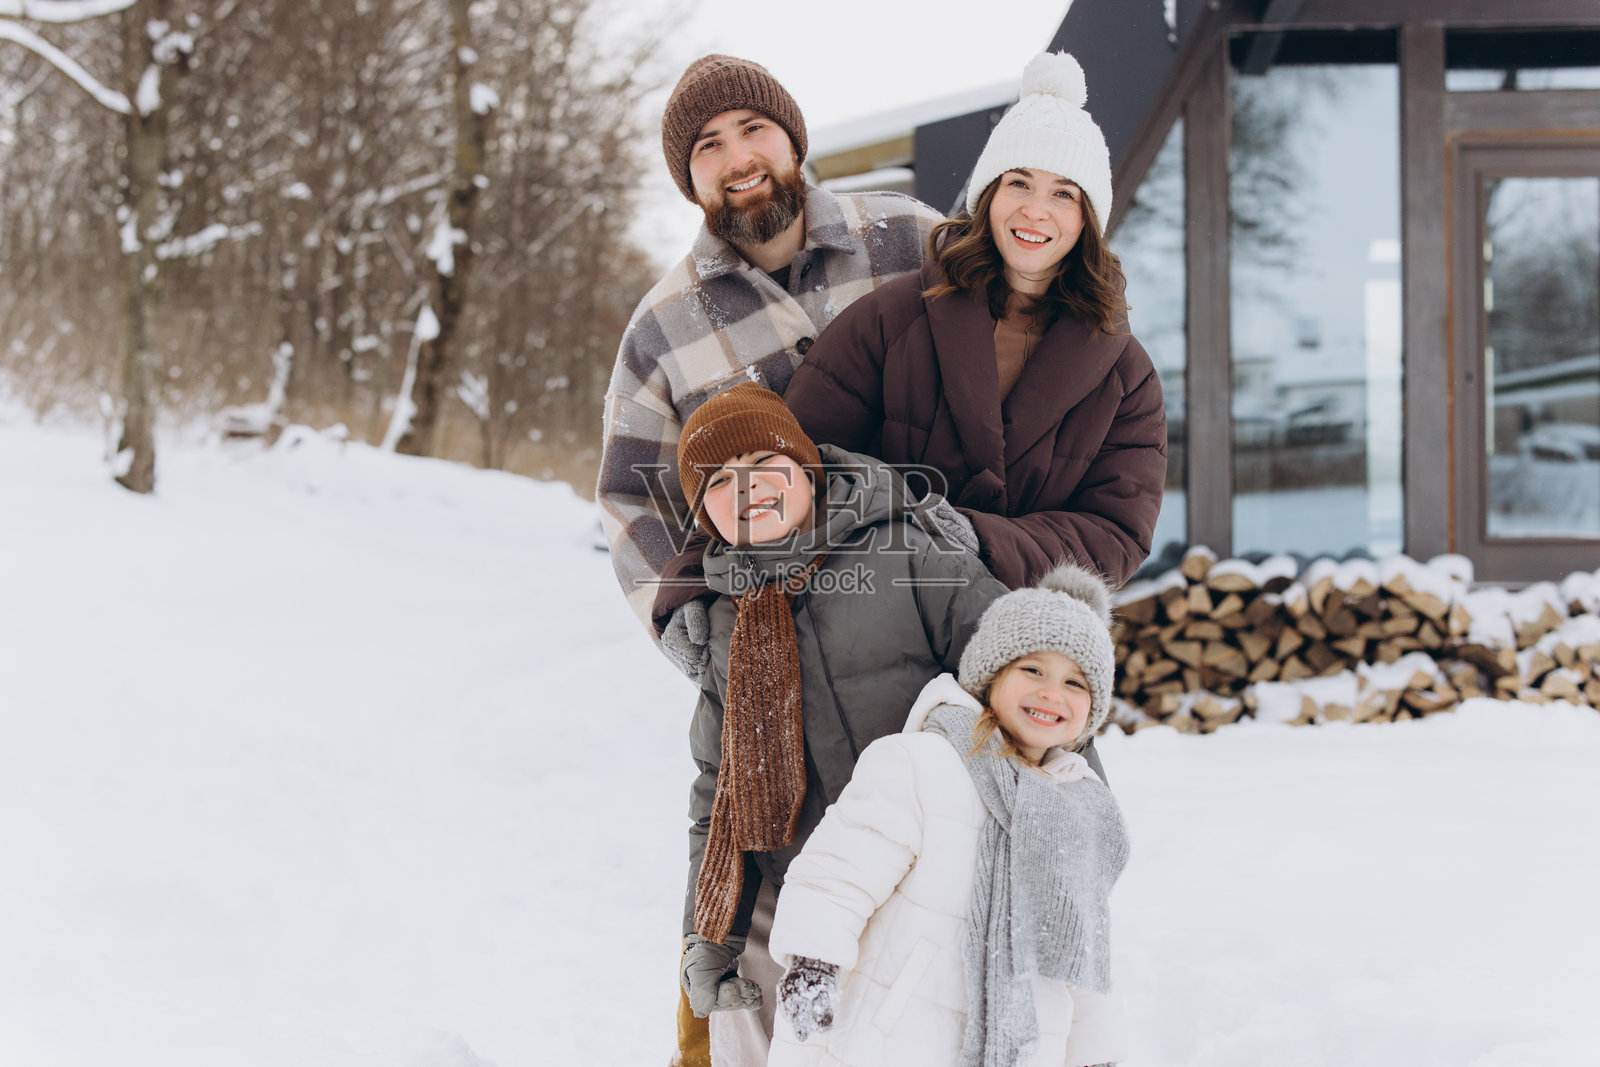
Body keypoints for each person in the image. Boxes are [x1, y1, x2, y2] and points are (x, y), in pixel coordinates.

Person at [672, 383, 1010, 1066]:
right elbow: (719, 788)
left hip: (925, 877)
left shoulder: (906, 548)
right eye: (719, 480)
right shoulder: (723, 620)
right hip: (794, 883)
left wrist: (1065, 829)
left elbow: (1020, 672)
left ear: (806, 467)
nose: (749, 487)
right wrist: (706, 937)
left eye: (765, 461)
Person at [595, 53, 946, 682]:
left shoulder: (911, 237)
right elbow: (632, 494)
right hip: (799, 667)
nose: (738, 159)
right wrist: (686, 619)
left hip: (955, 612)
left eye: (753, 127)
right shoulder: (661, 329)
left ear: (792, 138)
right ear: (688, 176)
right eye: (710, 145)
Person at [783, 51, 1167, 593]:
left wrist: (978, 540)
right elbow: (799, 466)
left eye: (1064, 193)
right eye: (1019, 183)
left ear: (1088, 218)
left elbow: (1117, 532)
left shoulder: (1127, 375)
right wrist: (910, 544)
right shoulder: (893, 317)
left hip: (1027, 641)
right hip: (881, 618)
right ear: (988, 196)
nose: (1036, 210)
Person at [765, 564, 1131, 1067]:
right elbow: (836, 877)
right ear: (991, 674)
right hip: (885, 1041)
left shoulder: (1078, 813)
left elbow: (1079, 959)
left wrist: (1097, 1056)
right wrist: (813, 963)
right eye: (1033, 670)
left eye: (1075, 682)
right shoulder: (920, 763)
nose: (1052, 694)